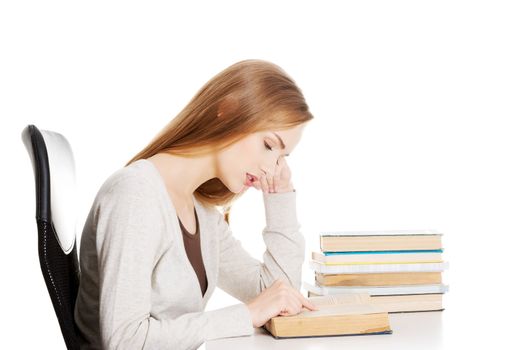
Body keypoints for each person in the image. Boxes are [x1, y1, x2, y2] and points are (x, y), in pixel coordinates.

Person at [74, 59, 317, 349]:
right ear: (227, 112)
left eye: (281, 157)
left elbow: (277, 296)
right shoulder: (135, 194)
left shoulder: (202, 212)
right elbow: (125, 340)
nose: (271, 167)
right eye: (268, 145)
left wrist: (280, 199)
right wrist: (245, 315)